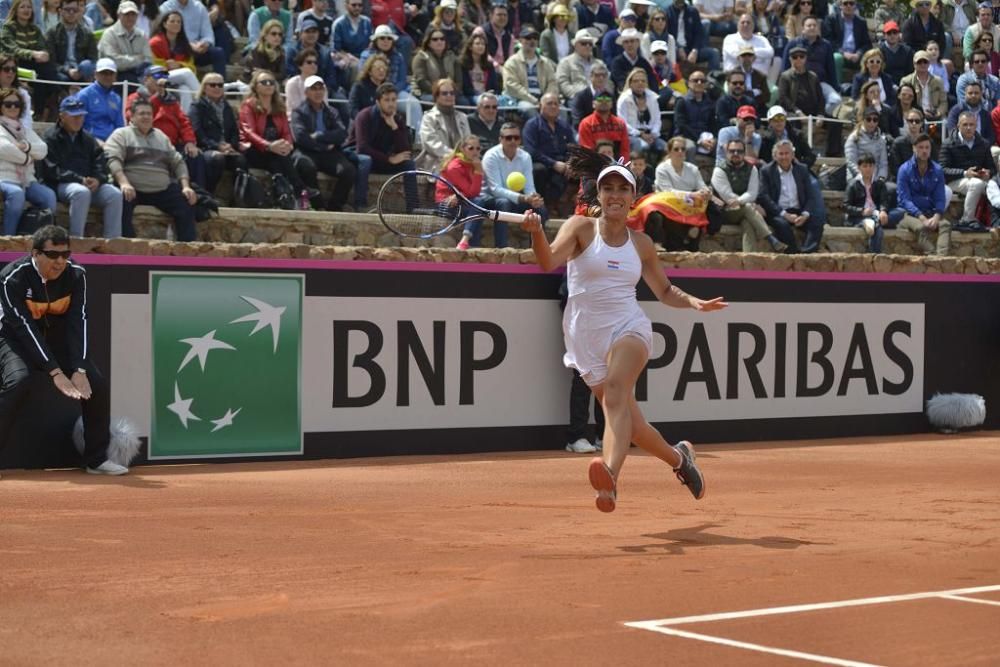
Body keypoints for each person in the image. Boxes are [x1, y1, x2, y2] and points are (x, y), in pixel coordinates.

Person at [522, 147, 724, 512]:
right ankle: (680, 460)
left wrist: (693, 302)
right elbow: (547, 261)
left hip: (629, 329)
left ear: (633, 197)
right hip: (585, 337)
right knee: (633, 424)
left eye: (623, 189)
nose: (615, 195)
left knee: (615, 392)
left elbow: (664, 290)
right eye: (608, 188)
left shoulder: (642, 244)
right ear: (598, 194)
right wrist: (536, 232)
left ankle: (610, 478)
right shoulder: (580, 228)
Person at [0, 225, 128, 476]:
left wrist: (79, 368)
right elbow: (24, 328)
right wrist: (55, 371)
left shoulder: (76, 274)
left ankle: (96, 459)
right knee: (18, 381)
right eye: (52, 255)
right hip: (13, 338)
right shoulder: (11, 278)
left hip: (55, 339)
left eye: (65, 254)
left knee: (96, 384)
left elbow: (78, 322)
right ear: (36, 254)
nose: (60, 262)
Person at [105, 97, 197, 240]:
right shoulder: (121, 134)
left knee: (185, 203)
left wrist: (185, 186)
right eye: (142, 113)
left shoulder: (161, 137)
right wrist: (123, 183)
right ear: (132, 116)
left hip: (161, 189)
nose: (146, 117)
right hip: (132, 188)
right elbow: (112, 159)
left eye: (149, 113)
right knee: (120, 201)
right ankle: (128, 247)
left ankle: (187, 249)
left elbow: (178, 162)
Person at [239, 69, 321, 210]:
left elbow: (286, 132)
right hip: (254, 149)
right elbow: (249, 132)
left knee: (280, 160)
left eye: (271, 82)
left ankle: (284, 197)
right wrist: (269, 145)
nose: (269, 85)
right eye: (264, 82)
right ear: (256, 86)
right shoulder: (248, 106)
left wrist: (288, 144)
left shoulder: (278, 106)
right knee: (279, 157)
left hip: (276, 151)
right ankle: (300, 189)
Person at [41, 96, 122, 238]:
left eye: (81, 116)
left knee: (114, 195)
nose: (78, 119)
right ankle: (76, 239)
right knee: (81, 192)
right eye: (74, 116)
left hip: (88, 184)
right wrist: (79, 179)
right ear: (62, 116)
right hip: (61, 184)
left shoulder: (88, 138)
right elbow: (51, 169)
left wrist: (98, 179)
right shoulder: (50, 137)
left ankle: (113, 241)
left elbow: (100, 163)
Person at [290, 75, 358, 212]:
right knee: (306, 166)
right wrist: (324, 144)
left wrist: (319, 135)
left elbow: (341, 133)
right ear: (306, 92)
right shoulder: (298, 112)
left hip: (329, 153)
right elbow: (301, 137)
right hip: (307, 151)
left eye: (320, 88)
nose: (318, 92)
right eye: (313, 89)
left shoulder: (332, 112)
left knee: (348, 170)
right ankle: (318, 205)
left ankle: (335, 206)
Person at [712, 137, 788, 252]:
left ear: (744, 152)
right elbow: (728, 196)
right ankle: (771, 238)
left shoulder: (752, 168)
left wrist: (746, 202)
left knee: (748, 223)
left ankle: (749, 258)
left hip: (745, 211)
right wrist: (749, 203)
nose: (736, 153)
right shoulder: (719, 170)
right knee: (748, 208)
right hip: (724, 211)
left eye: (739, 151)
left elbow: (752, 192)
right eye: (732, 151)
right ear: (726, 152)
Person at [481, 121, 549, 246]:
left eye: (516, 138)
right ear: (500, 139)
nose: (512, 141)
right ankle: (501, 249)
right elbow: (495, 189)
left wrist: (533, 198)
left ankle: (537, 249)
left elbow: (529, 187)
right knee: (503, 203)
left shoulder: (525, 156)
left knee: (540, 209)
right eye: (508, 138)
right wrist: (523, 198)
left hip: (516, 200)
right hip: (490, 200)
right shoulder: (491, 156)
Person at [0, 86, 54, 235]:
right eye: (7, 104)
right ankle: (7, 239)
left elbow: (43, 150)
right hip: (4, 178)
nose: (12, 107)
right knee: (16, 194)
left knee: (48, 196)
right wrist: (27, 158)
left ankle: (41, 240)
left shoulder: (24, 131)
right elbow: (4, 149)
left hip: (27, 180)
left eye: (16, 104)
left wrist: (26, 146)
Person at [757, 139, 824, 252]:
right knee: (782, 225)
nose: (784, 157)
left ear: (792, 155)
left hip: (798, 211)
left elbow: (810, 195)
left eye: (787, 153)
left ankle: (807, 253)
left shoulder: (802, 169)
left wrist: (805, 214)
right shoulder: (766, 171)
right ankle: (792, 254)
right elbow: (764, 196)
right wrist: (784, 214)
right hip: (778, 212)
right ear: (775, 156)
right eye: (781, 154)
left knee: (817, 222)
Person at [778, 44, 843, 157]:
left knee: (835, 123)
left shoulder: (813, 76)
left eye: (801, 56)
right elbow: (783, 98)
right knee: (793, 123)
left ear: (805, 58)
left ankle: (832, 153)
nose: (798, 59)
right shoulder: (785, 76)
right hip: (794, 112)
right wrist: (797, 111)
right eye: (795, 57)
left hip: (813, 112)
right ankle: (797, 154)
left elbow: (820, 98)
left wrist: (821, 114)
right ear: (790, 59)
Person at [189, 72, 246, 196]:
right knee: (216, 159)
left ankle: (239, 197)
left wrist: (231, 146)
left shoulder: (227, 107)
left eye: (220, 85)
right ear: (204, 87)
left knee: (241, 161)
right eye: (212, 85)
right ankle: (208, 193)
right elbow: (197, 132)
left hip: (227, 148)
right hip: (206, 148)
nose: (217, 88)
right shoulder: (197, 106)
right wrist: (217, 146)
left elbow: (234, 132)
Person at [896, 132, 953, 254]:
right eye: (921, 147)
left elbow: (940, 197)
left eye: (927, 147)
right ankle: (932, 257)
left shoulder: (937, 170)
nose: (924, 151)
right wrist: (921, 217)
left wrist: (937, 216)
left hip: (931, 213)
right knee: (922, 228)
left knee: (945, 225)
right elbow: (905, 200)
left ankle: (941, 258)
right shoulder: (904, 170)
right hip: (911, 215)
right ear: (914, 148)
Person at [651, 135, 711, 250]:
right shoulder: (662, 168)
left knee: (710, 206)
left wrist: (705, 192)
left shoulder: (693, 168)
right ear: (669, 151)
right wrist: (691, 194)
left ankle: (694, 233)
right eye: (676, 149)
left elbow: (702, 186)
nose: (680, 152)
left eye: (683, 149)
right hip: (668, 204)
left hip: (689, 203)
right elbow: (667, 191)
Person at [348, 82, 416, 178]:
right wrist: (389, 159)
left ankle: (411, 194)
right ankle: (360, 193)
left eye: (393, 100)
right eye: (387, 100)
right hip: (360, 156)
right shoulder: (364, 115)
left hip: (382, 159)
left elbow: (405, 151)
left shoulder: (398, 119)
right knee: (366, 161)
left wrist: (394, 127)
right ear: (378, 102)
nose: (391, 104)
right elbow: (362, 148)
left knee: (409, 164)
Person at [359, 24, 421, 129]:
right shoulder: (366, 55)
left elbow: (402, 80)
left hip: (395, 92)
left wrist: (392, 92)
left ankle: (417, 139)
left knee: (414, 104)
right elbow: (363, 77)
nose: (386, 41)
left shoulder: (399, 56)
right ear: (376, 40)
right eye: (382, 38)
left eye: (389, 38)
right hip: (371, 92)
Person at [2, 0, 58, 115]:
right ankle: (50, 101)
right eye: (23, 7)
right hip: (14, 62)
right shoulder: (8, 28)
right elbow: (13, 50)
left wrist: (44, 54)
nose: (26, 10)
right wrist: (33, 54)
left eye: (29, 7)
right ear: (15, 10)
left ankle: (44, 109)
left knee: (46, 70)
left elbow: (42, 46)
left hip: (34, 62)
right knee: (42, 73)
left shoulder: (35, 29)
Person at [445, 135, 500, 249]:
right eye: (471, 148)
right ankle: (467, 241)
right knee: (478, 205)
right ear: (462, 149)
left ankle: (470, 245)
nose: (475, 152)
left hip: (464, 201)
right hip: (447, 203)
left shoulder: (473, 164)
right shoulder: (454, 167)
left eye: (478, 149)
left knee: (480, 206)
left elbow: (471, 193)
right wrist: (479, 172)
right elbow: (472, 192)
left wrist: (478, 170)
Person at [940, 109, 995, 224]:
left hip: (979, 179)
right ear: (958, 125)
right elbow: (943, 170)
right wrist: (964, 173)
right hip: (954, 181)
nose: (969, 127)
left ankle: (995, 223)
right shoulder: (948, 143)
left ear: (976, 126)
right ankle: (967, 219)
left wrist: (987, 172)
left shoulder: (983, 143)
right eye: (965, 124)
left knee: (988, 185)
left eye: (971, 124)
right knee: (976, 184)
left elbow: (992, 168)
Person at [524, 92, 574, 213]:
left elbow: (573, 148)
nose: (553, 106)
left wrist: (570, 163)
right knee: (539, 170)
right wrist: (553, 164)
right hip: (542, 162)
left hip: (563, 163)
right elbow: (531, 151)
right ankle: (542, 206)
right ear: (540, 106)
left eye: (556, 104)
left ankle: (566, 206)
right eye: (549, 103)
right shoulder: (532, 125)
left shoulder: (564, 126)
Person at [844, 152, 903, 253]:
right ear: (859, 167)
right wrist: (862, 211)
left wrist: (883, 211)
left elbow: (884, 200)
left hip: (877, 214)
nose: (868, 169)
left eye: (870, 166)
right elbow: (846, 206)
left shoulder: (879, 183)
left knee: (900, 212)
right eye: (865, 166)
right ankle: (873, 256)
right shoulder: (853, 185)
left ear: (874, 167)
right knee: (878, 230)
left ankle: (873, 222)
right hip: (860, 216)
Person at [502, 25, 559, 118]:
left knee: (562, 111)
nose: (532, 41)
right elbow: (512, 86)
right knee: (530, 110)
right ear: (520, 40)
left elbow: (552, 82)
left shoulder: (546, 62)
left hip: (543, 98)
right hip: (522, 100)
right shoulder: (511, 62)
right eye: (528, 38)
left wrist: (546, 99)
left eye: (535, 38)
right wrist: (534, 101)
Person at [148, 11, 200, 112]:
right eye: (172, 21)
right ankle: (204, 101)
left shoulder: (184, 44)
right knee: (187, 73)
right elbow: (152, 64)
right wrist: (166, 65)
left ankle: (187, 120)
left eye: (178, 22)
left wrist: (179, 65)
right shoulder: (155, 42)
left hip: (175, 78)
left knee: (185, 90)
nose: (176, 24)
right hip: (157, 76)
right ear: (164, 24)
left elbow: (192, 67)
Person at [416, 78, 471, 173]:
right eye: (445, 93)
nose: (449, 96)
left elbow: (468, 142)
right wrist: (454, 157)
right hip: (438, 164)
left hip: (462, 163)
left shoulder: (462, 117)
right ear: (436, 96)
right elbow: (432, 144)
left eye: (452, 93)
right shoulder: (429, 117)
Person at [159, 0, 226, 76]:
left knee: (218, 52)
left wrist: (205, 44)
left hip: (197, 49)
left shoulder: (199, 7)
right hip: (177, 49)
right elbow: (163, 35)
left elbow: (208, 33)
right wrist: (188, 45)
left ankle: (220, 84)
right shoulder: (165, 8)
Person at [97, 0, 151, 83]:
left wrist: (124, 59)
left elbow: (148, 59)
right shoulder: (109, 34)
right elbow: (115, 62)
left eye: (133, 14)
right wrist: (138, 58)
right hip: (113, 75)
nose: (130, 17)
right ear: (119, 15)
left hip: (138, 73)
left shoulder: (142, 34)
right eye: (126, 14)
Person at [617, 66, 664, 158]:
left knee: (665, 148)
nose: (640, 83)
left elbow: (657, 119)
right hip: (632, 135)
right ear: (630, 83)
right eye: (636, 81)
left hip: (651, 134)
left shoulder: (652, 97)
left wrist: (653, 134)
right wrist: (640, 134)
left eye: (643, 81)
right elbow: (622, 123)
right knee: (643, 147)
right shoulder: (624, 99)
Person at [45, 0, 97, 84]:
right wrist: (68, 70)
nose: (71, 13)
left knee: (87, 67)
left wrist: (80, 71)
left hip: (81, 71)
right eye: (67, 10)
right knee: (61, 78)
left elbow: (93, 58)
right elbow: (51, 62)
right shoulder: (52, 33)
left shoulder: (87, 34)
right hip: (61, 72)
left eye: (75, 10)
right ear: (60, 11)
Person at [74, 57, 122, 144]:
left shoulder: (116, 98)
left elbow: (119, 125)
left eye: (111, 73)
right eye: (103, 73)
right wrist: (94, 141)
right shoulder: (84, 95)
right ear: (95, 74)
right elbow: (77, 125)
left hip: (113, 143)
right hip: (89, 143)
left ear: (115, 76)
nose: (107, 76)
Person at [822, 0, 871, 84]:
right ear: (840, 6)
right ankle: (837, 88)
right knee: (836, 58)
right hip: (840, 54)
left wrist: (858, 53)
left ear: (855, 6)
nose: (848, 6)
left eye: (851, 3)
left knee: (873, 58)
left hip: (856, 56)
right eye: (845, 3)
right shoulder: (832, 19)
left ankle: (866, 88)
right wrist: (843, 53)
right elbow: (828, 41)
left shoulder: (861, 22)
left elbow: (867, 43)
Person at [665, 0, 720, 72]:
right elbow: (667, 34)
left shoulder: (693, 11)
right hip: (674, 48)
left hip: (691, 48)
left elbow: (698, 33)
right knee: (663, 54)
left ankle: (714, 80)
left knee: (714, 53)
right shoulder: (666, 12)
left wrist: (695, 50)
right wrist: (678, 47)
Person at [672, 69, 716, 160]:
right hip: (685, 137)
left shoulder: (710, 103)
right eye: (695, 80)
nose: (699, 83)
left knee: (721, 146)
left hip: (705, 137)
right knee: (690, 148)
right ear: (689, 83)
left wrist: (713, 139)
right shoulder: (682, 101)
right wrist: (699, 140)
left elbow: (713, 124)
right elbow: (681, 125)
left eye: (702, 81)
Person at [412, 27, 463, 104]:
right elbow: (422, 81)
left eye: (442, 39)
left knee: (463, 101)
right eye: (435, 39)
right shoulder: (421, 57)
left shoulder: (452, 57)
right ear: (428, 43)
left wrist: (452, 93)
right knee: (439, 101)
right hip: (427, 93)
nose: (439, 41)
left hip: (450, 93)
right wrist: (440, 93)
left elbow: (459, 81)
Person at [722, 13, 776, 80]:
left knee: (777, 60)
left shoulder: (762, 39)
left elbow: (770, 52)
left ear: (753, 26)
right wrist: (755, 54)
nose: (745, 25)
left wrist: (750, 50)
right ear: (738, 25)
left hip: (758, 79)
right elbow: (735, 53)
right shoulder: (730, 38)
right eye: (742, 22)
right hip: (735, 79)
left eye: (748, 22)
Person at [578, 90, 631, 159]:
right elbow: (587, 150)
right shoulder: (586, 123)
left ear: (612, 104)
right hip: (594, 163)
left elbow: (625, 149)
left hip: (617, 164)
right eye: (600, 99)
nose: (604, 102)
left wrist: (622, 166)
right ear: (593, 104)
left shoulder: (620, 123)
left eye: (607, 99)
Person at [899, 50, 948, 124]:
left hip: (935, 117)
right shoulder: (906, 81)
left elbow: (943, 101)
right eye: (919, 62)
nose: (922, 64)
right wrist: (921, 113)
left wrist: (938, 112)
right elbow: (904, 103)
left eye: (925, 62)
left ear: (929, 63)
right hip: (914, 117)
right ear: (914, 64)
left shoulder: (938, 81)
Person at [845, 107, 890, 183]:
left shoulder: (881, 140)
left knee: (891, 189)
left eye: (875, 120)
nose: (872, 122)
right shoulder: (854, 138)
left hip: (876, 179)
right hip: (856, 177)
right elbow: (851, 162)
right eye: (868, 119)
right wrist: (864, 177)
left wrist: (881, 178)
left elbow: (883, 163)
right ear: (863, 120)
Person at [460, 28, 500, 106]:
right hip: (472, 96)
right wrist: (480, 94)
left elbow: (495, 86)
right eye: (477, 44)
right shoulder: (463, 64)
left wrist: (491, 93)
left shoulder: (489, 65)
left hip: (488, 96)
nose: (481, 46)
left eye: (483, 44)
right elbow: (465, 87)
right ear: (470, 47)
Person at [946, 80, 995, 144]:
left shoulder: (985, 114)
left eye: (976, 93)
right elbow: (951, 131)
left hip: (982, 147)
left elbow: (991, 136)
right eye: (970, 93)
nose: (973, 95)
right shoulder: (956, 111)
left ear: (981, 94)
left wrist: (983, 146)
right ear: (965, 94)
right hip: (960, 147)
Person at [557, 28, 598, 103]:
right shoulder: (565, 62)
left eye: (590, 44)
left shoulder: (599, 64)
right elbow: (563, 83)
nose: (587, 46)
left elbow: (609, 83)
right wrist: (579, 96)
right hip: (577, 99)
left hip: (599, 98)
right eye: (583, 43)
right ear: (575, 45)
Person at [243, 18, 286, 84]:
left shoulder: (281, 52)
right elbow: (257, 74)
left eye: (280, 34)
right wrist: (273, 74)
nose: (277, 37)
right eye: (273, 34)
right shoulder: (256, 51)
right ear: (265, 36)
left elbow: (282, 75)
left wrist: (265, 72)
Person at [570, 60, 612, 129]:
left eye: (604, 75)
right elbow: (577, 121)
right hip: (586, 130)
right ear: (590, 76)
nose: (601, 78)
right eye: (597, 75)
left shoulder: (610, 95)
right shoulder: (580, 96)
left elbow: (614, 117)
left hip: (606, 130)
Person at [348, 52, 389, 119]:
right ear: (369, 71)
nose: (382, 70)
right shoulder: (359, 86)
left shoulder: (387, 87)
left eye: (384, 68)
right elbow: (352, 110)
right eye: (378, 68)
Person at [0, 52, 31, 129]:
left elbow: (26, 119)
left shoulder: (23, 94)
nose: (11, 72)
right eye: (6, 69)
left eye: (13, 69)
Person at [878, 20, 915, 84]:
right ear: (884, 35)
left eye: (895, 32)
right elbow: (879, 73)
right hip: (885, 85)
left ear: (899, 34)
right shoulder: (879, 51)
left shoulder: (908, 51)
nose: (892, 35)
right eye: (889, 33)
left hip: (905, 85)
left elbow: (911, 72)